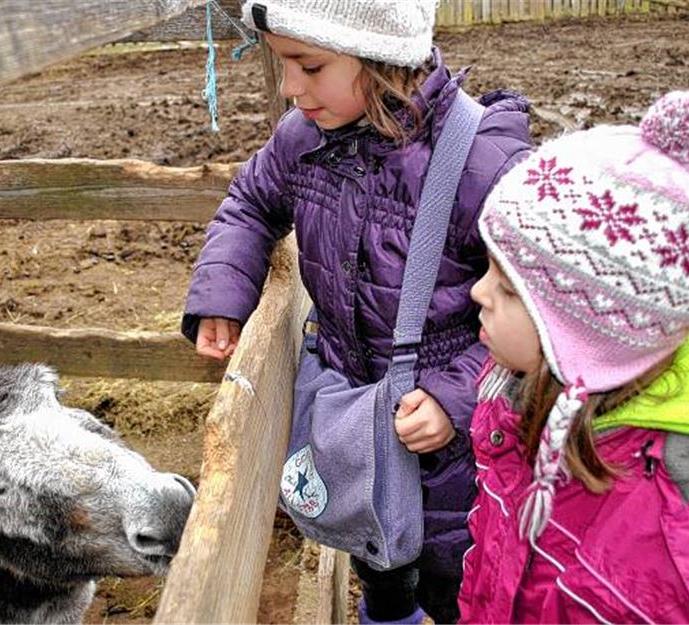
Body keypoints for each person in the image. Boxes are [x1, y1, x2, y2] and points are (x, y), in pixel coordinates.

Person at [181, 1, 531, 621]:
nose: (290, 90)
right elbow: (250, 203)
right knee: (375, 548)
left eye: (308, 66)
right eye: (282, 65)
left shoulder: (482, 165)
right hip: (353, 415)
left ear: (382, 58)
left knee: (455, 569)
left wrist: (455, 399)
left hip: (453, 449)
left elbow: (534, 315)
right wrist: (222, 295)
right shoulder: (303, 139)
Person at [457, 91, 689, 623]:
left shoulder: (687, 543)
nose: (477, 294)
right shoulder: (518, 391)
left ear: (585, 332)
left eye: (508, 289)